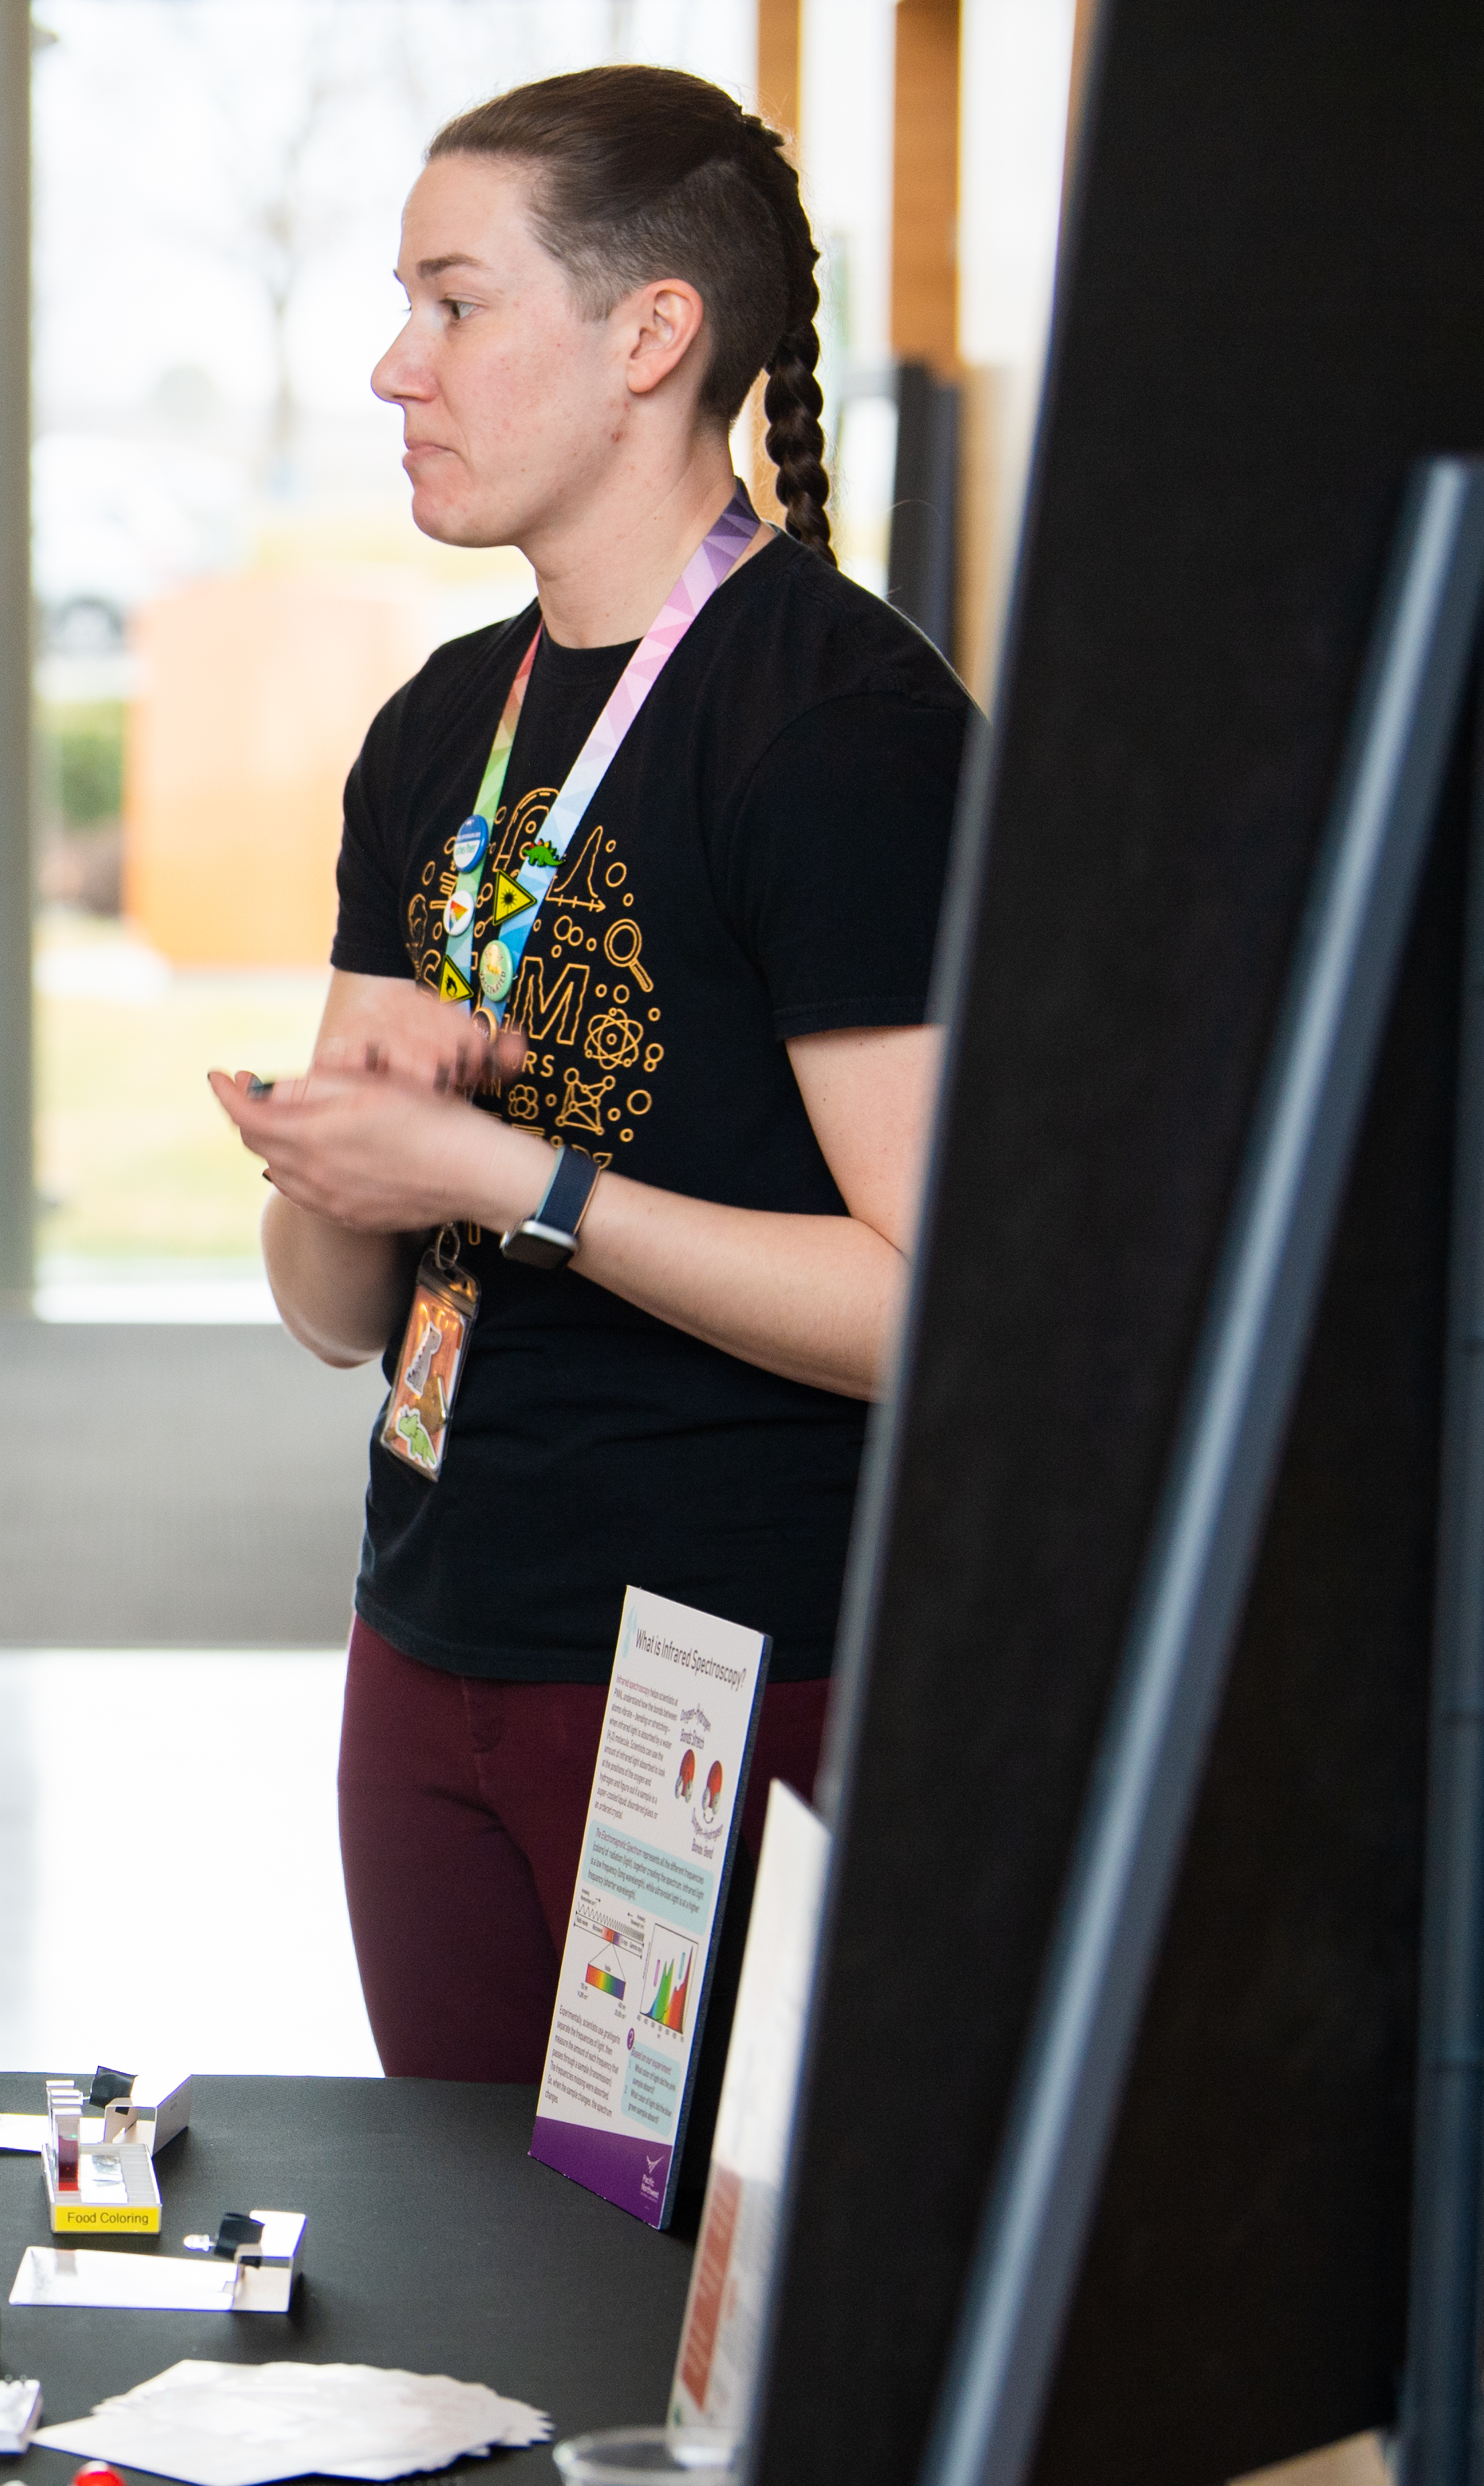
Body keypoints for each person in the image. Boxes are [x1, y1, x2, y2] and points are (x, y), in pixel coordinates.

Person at [212, 66, 971, 2082]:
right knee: (468, 2296)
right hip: (432, 1623)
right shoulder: (441, 729)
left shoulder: (842, 734)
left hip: (720, 1666)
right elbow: (325, 1319)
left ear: (652, 335)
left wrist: (510, 1175)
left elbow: (944, 1310)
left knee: (654, 2340)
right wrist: (328, 1168)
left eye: (455, 304)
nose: (397, 367)